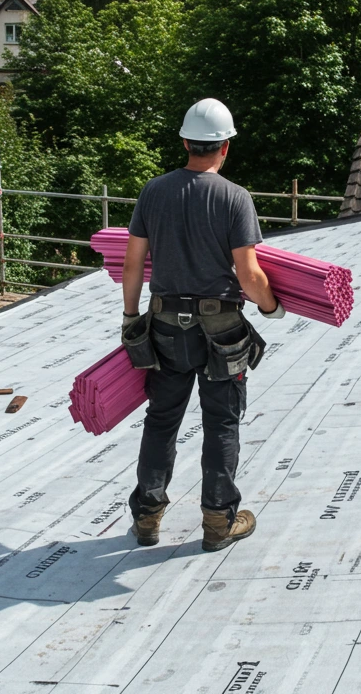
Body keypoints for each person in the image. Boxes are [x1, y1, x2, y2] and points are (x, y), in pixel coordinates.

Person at [121, 98, 286, 552]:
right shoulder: (234, 197)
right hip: (222, 333)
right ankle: (218, 522)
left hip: (165, 328)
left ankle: (148, 518)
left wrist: (131, 318)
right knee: (221, 424)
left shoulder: (154, 191)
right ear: (225, 148)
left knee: (161, 422)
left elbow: (133, 264)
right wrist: (272, 309)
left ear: (185, 143)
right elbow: (250, 275)